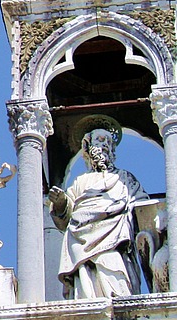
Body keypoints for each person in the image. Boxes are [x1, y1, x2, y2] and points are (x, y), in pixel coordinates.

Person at [50, 124, 147, 299]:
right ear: (89, 146)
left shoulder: (124, 178)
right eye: (99, 140)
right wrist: (61, 203)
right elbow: (67, 213)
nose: (103, 146)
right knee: (86, 279)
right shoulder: (81, 181)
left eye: (108, 142)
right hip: (81, 239)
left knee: (115, 270)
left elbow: (142, 206)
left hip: (115, 237)